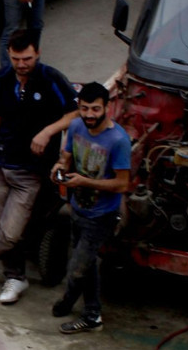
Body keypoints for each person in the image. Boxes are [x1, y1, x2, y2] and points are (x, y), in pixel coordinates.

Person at [0, 30, 77, 303]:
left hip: (29, 169)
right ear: (9, 55)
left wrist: (48, 131)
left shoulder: (51, 79)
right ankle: (14, 278)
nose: (22, 64)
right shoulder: (3, 78)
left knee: (11, 231)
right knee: (0, 225)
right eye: (17, 58)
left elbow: (75, 112)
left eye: (27, 58)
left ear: (38, 54)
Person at [50, 82, 131, 334]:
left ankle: (87, 314)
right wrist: (59, 167)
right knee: (86, 265)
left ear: (107, 107)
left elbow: (122, 184)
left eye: (95, 109)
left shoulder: (118, 141)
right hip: (78, 208)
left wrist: (84, 181)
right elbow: (66, 156)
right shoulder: (76, 126)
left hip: (101, 216)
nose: (89, 115)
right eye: (84, 109)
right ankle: (87, 309)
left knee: (77, 269)